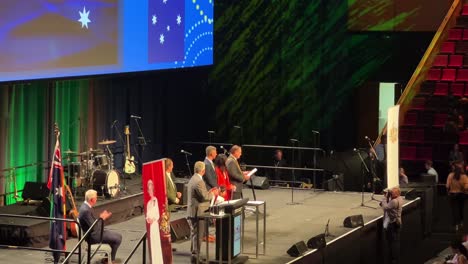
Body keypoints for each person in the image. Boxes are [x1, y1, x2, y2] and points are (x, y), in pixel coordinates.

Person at [78, 190, 122, 264]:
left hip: (94, 232)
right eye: (96, 198)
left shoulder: (85, 206)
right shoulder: (86, 210)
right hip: (93, 236)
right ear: (92, 200)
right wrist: (102, 218)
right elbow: (94, 227)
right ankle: (109, 260)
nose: (97, 199)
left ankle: (107, 259)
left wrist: (101, 218)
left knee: (118, 236)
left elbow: (93, 224)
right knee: (117, 239)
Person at [187, 161, 218, 263]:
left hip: (194, 211)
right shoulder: (199, 181)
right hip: (198, 212)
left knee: (195, 234)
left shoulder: (193, 178)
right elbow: (205, 197)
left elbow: (201, 195)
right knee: (198, 235)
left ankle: (194, 254)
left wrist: (209, 192)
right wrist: (213, 193)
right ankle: (196, 257)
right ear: (203, 170)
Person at [380, 187, 403, 264]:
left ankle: (393, 259)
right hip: (398, 222)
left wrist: (384, 197)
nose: (391, 193)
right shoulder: (400, 198)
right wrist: (388, 195)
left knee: (391, 242)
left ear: (396, 194)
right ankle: (395, 258)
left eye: (392, 193)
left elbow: (385, 207)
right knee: (396, 241)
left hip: (392, 224)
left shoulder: (394, 201)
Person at [145, 179, 164, 264]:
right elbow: (147, 214)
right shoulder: (149, 203)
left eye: (151, 189)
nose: (150, 191)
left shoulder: (156, 200)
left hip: (155, 224)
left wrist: (154, 219)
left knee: (157, 243)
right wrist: (148, 219)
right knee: (152, 243)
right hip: (151, 226)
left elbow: (158, 213)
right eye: (149, 189)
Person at [446, 162, 468, 231]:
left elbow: (447, 186)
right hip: (462, 195)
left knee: (454, 209)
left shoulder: (450, 175)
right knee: (461, 209)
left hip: (453, 194)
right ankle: (461, 222)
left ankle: (456, 224)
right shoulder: (464, 176)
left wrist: (448, 192)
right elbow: (466, 187)